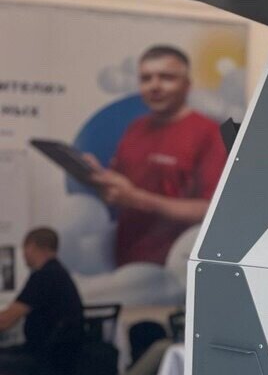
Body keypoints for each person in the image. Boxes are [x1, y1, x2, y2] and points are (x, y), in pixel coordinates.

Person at [86, 45, 227, 266]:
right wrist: (97, 177)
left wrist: (138, 199)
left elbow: (212, 210)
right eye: (146, 78)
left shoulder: (209, 133)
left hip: (177, 267)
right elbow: (121, 191)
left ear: (187, 84)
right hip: (127, 259)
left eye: (166, 77)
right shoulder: (135, 128)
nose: (154, 86)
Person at [0, 228, 85, 375]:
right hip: (60, 357)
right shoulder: (58, 273)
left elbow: (5, 321)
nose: (23, 254)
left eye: (24, 248)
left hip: (44, 359)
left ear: (31, 246)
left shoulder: (43, 276)